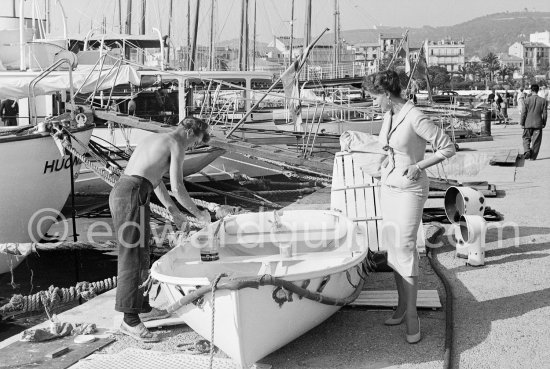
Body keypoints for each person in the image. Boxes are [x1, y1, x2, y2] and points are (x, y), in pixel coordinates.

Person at [362, 70, 455, 344]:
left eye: (374, 98)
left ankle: (412, 314)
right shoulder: (389, 115)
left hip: (410, 190)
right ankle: (402, 306)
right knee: (393, 248)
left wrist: (418, 166)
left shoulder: (415, 116)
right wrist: (382, 165)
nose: (372, 103)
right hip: (389, 187)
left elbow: (447, 147)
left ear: (387, 96)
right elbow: (389, 148)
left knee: (405, 247)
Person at [109, 117, 212, 342]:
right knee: (133, 255)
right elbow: (178, 186)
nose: (194, 146)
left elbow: (156, 181)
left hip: (126, 190)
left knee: (141, 252)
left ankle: (139, 309)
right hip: (133, 193)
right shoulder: (176, 144)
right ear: (189, 132)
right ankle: (130, 321)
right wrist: (199, 214)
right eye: (197, 141)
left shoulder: (156, 139)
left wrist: (173, 211)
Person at [520, 84, 547, 160]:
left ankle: (527, 151)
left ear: (531, 90)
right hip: (538, 124)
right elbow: (545, 113)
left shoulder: (526, 100)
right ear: (538, 90)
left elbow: (523, 113)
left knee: (526, 138)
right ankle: (533, 157)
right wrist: (544, 123)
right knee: (536, 141)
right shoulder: (543, 101)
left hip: (528, 123)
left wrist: (522, 123)